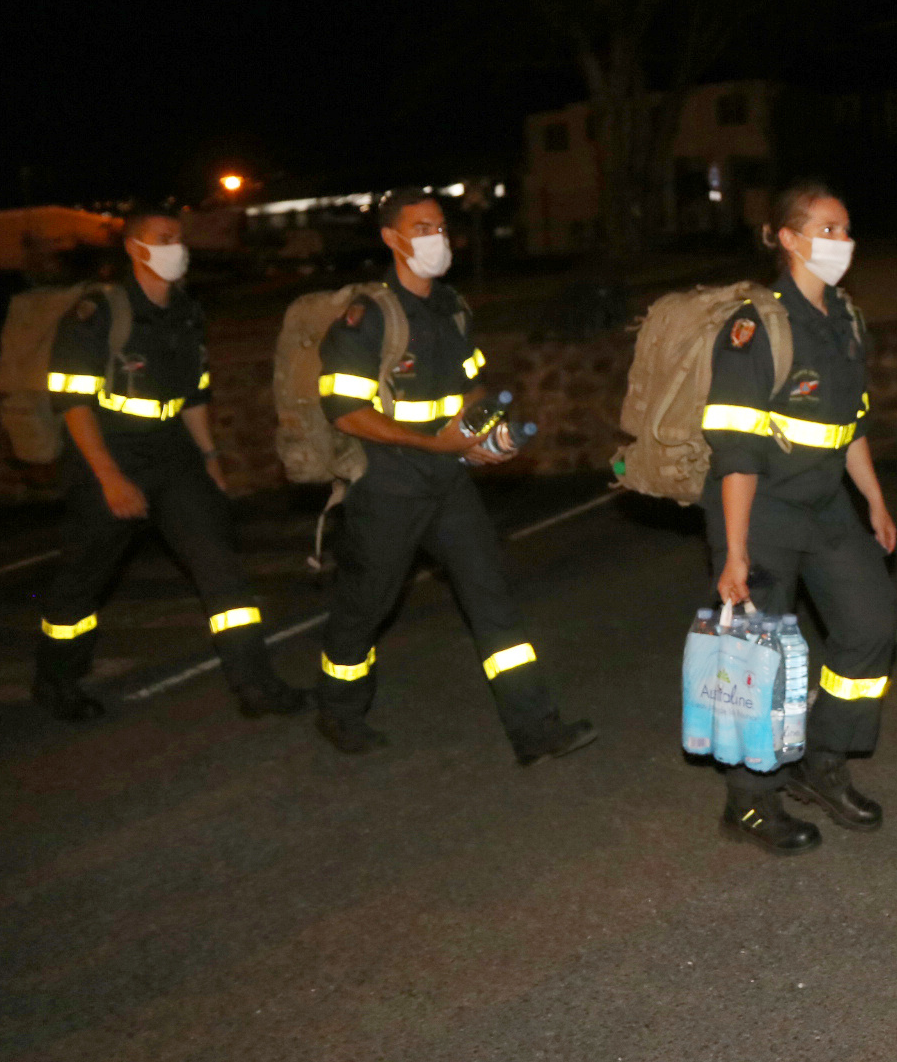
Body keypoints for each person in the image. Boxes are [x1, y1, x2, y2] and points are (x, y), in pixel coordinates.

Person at [312, 188, 595, 763]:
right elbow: (344, 411)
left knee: (492, 598)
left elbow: (471, 388)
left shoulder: (452, 309)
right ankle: (339, 712)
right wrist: (430, 442)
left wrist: (485, 437)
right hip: (387, 487)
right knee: (367, 606)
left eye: (440, 226)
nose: (437, 238)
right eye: (421, 228)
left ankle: (535, 729)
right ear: (391, 238)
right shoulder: (369, 317)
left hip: (449, 482)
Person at [35, 208, 307, 721]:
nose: (176, 248)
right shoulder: (97, 313)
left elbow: (194, 394)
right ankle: (57, 681)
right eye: (163, 239)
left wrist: (210, 459)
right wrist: (110, 478)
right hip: (110, 454)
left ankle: (255, 684)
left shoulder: (185, 310)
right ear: (134, 248)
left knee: (220, 565)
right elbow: (73, 404)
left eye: (179, 239)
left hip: (173, 454)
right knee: (85, 578)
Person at [703, 182, 897, 855]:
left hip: (825, 504)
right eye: (827, 229)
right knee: (758, 658)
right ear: (788, 239)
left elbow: (850, 425)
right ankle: (749, 802)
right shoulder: (755, 327)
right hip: (759, 509)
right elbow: (735, 447)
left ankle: (823, 757)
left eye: (846, 229)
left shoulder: (846, 319)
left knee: (871, 624)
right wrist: (734, 551)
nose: (843, 241)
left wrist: (873, 499)